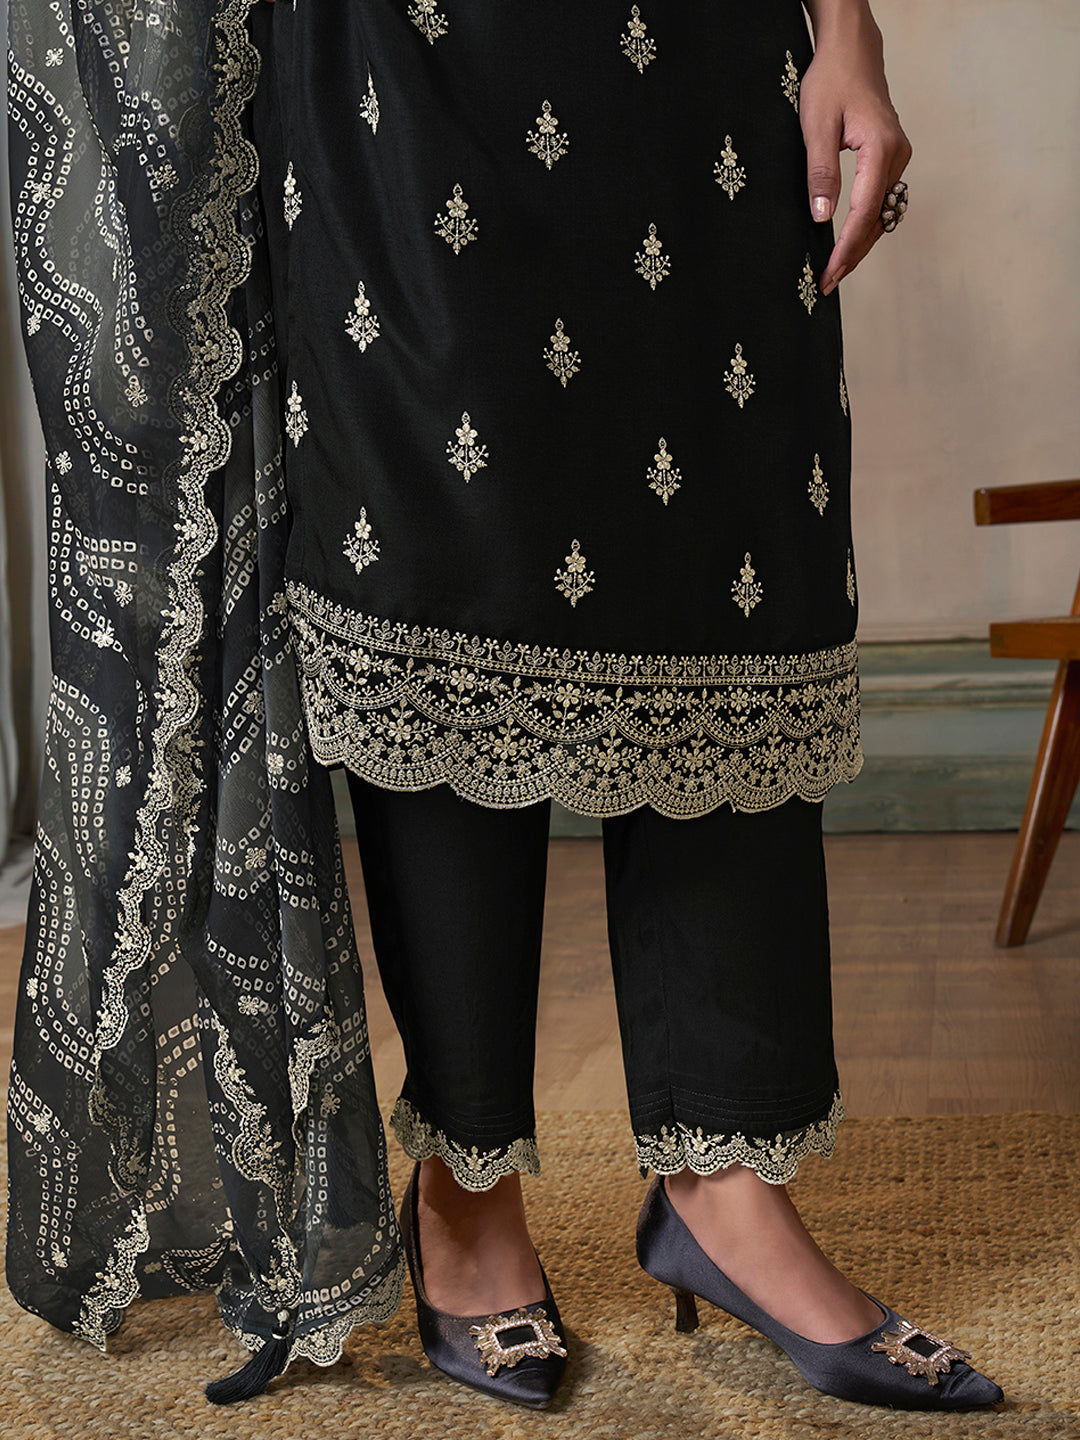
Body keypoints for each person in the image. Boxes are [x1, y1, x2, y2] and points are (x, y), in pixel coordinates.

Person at [4, 0, 1000, 1415]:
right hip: (405, 59)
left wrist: (849, 29)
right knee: (446, 562)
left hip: (707, 50)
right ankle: (467, 1183)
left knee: (726, 562)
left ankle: (727, 1187)